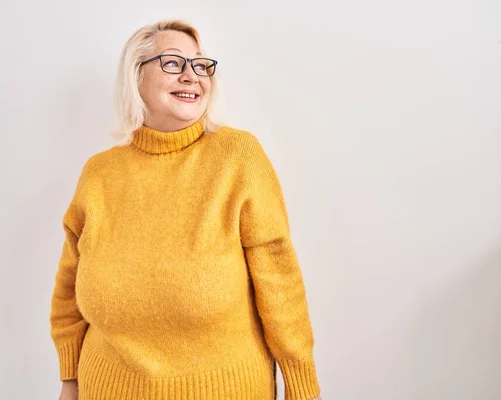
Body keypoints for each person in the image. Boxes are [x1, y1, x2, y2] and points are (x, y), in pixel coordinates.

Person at [49, 19, 322, 400]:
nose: (193, 76)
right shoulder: (99, 174)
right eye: (174, 63)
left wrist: (301, 385)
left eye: (200, 65)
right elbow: (68, 289)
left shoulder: (237, 158)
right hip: (105, 388)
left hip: (225, 389)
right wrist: (70, 379)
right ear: (135, 76)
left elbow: (280, 281)